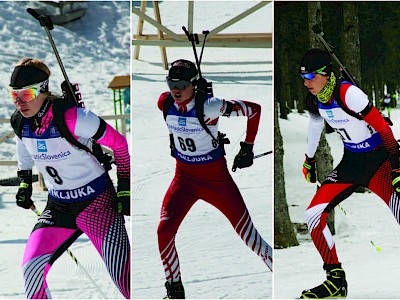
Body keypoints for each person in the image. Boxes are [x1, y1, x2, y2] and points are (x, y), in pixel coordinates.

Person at [9, 58, 131, 299]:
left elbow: (119, 144)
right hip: (59, 207)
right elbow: (25, 152)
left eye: (26, 94)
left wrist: (124, 187)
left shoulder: (73, 116)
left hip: (97, 205)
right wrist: (24, 182)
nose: (20, 102)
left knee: (126, 280)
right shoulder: (20, 122)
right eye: (14, 96)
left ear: (43, 89)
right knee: (31, 271)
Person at [157, 59, 273, 299]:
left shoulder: (209, 106)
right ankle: (175, 290)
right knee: (164, 231)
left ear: (193, 84)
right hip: (184, 179)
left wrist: (247, 147)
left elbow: (254, 110)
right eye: (171, 83)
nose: (175, 89)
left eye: (181, 84)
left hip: (216, 182)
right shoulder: (164, 102)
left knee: (251, 238)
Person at [299, 49, 400, 298]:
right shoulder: (314, 99)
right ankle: (335, 281)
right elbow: (315, 126)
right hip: (352, 164)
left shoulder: (348, 93)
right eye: (302, 76)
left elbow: (385, 132)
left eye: (311, 76)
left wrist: (397, 169)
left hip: (381, 162)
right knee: (313, 215)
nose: (306, 82)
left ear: (325, 73)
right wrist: (309, 159)